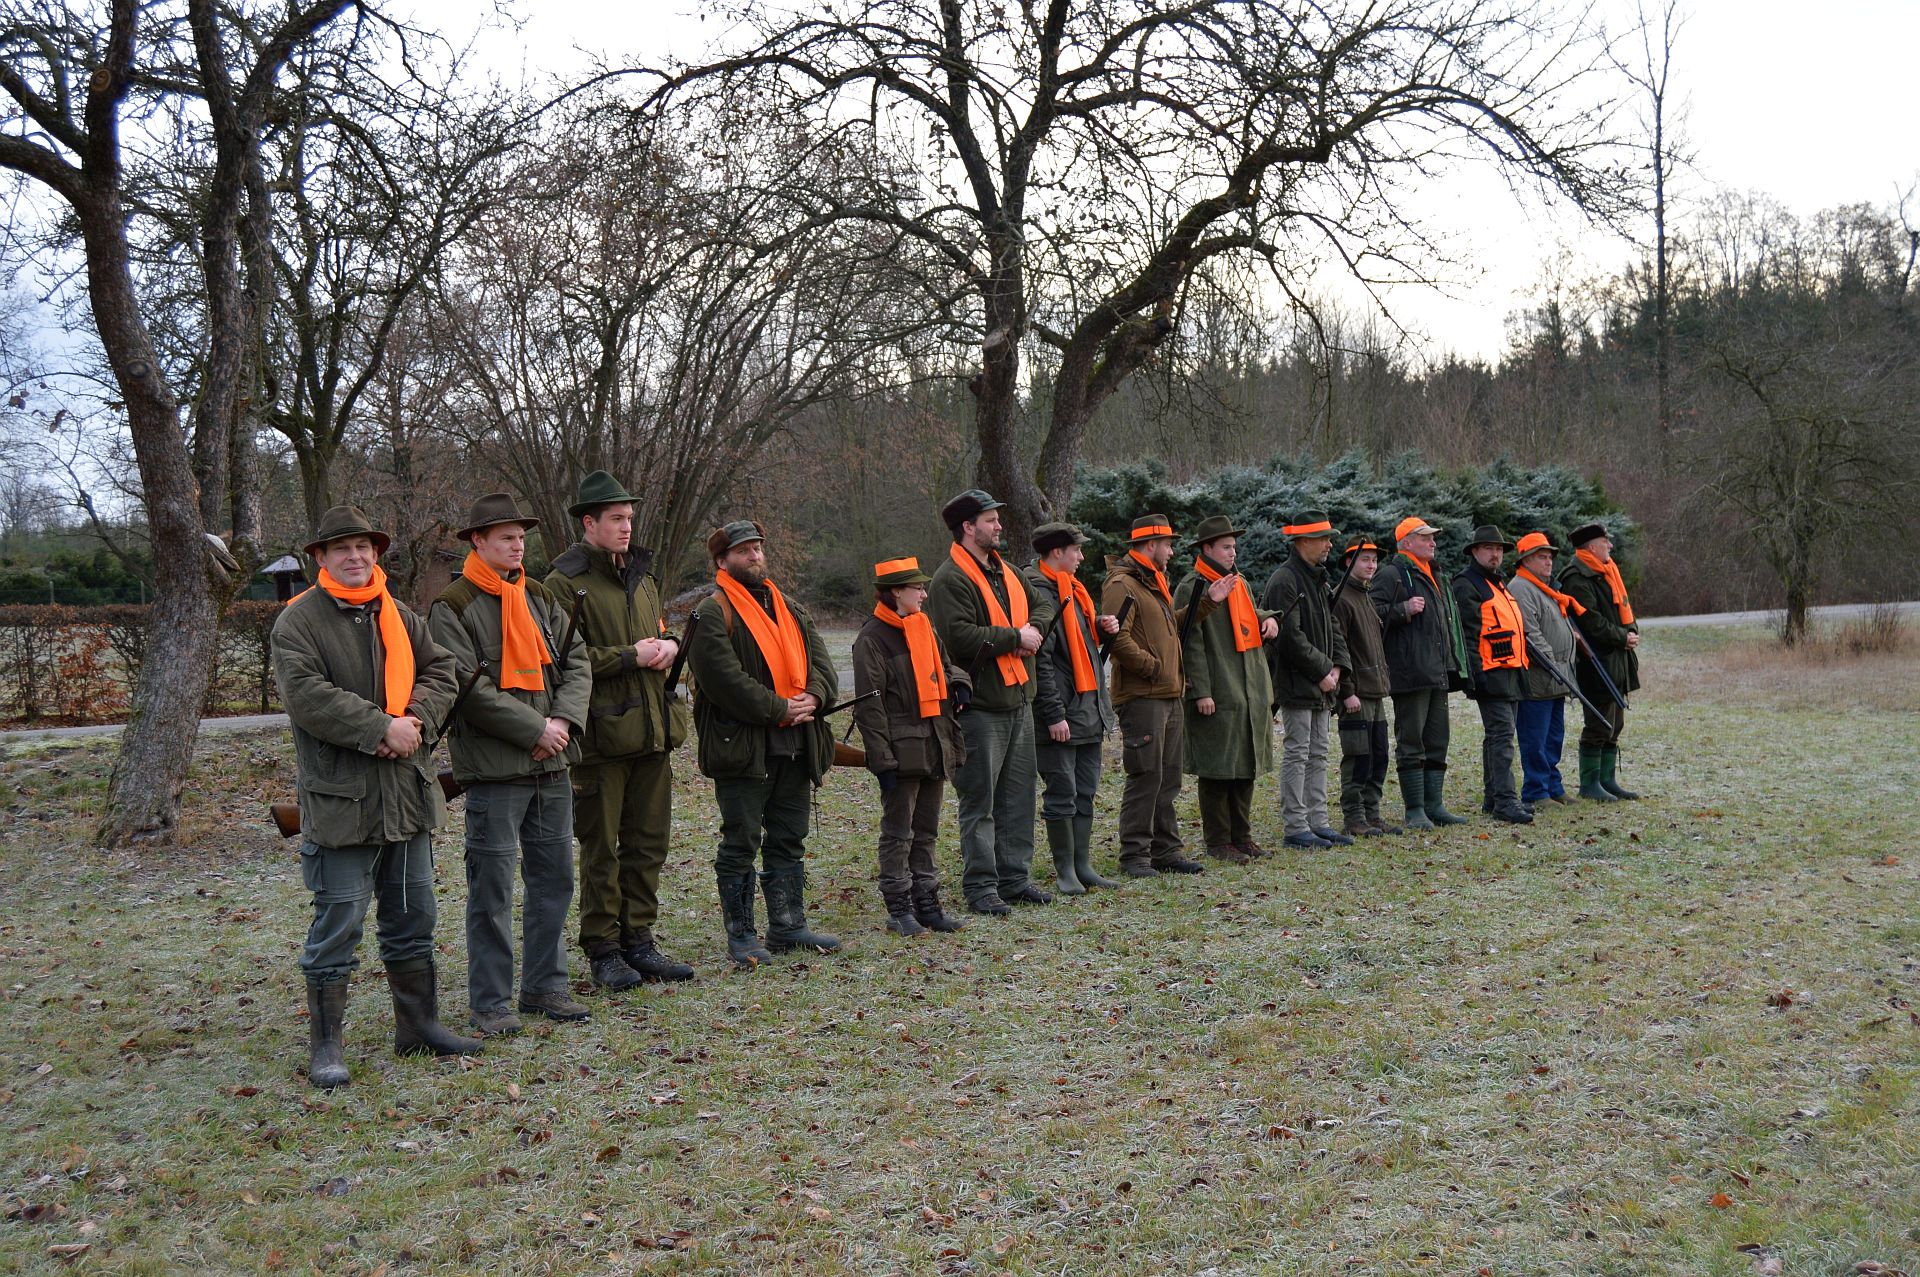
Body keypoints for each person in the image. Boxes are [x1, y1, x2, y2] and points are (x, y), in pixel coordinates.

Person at [275, 504, 479, 1087]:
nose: (355, 556)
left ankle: (419, 1028)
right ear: (320, 557)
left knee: (414, 917)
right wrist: (380, 728)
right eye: (342, 548)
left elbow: (443, 671)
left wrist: (413, 719)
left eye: (363, 547)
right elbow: (308, 696)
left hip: (406, 797)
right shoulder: (297, 622)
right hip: (342, 803)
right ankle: (326, 1048)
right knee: (338, 923)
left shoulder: (400, 615)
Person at [430, 493, 593, 1034]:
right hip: (496, 771)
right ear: (478, 541)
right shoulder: (453, 606)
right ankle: (492, 1002)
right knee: (492, 891)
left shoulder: (539, 595)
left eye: (521, 536)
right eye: (506, 537)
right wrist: (536, 730)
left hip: (552, 765)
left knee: (554, 881)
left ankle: (545, 987)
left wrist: (562, 723)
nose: (518, 545)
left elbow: (577, 661)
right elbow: (465, 688)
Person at [544, 470, 695, 990]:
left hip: (653, 734)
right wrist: (632, 656)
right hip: (601, 739)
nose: (627, 527)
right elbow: (563, 661)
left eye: (629, 518)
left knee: (648, 844)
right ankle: (604, 948)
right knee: (601, 849)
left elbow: (655, 635)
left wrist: (669, 645)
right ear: (589, 523)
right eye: (616, 518)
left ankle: (639, 940)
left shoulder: (642, 577)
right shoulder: (562, 584)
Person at [686, 520, 841, 965]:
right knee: (740, 842)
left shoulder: (790, 607)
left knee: (790, 837)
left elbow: (822, 665)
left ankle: (788, 927)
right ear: (722, 561)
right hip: (743, 749)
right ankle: (742, 937)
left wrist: (815, 696)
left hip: (796, 745)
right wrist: (780, 708)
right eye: (743, 551)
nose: (754, 556)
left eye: (757, 548)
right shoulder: (711, 612)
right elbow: (723, 681)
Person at [926, 489, 1057, 914]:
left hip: (1019, 701)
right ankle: (981, 887)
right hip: (979, 709)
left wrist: (1030, 632)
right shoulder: (950, 579)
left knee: (1018, 798)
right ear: (968, 527)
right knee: (979, 802)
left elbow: (1042, 608)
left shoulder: (1009, 572)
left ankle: (1014, 879)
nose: (999, 525)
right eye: (990, 519)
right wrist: (1014, 637)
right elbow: (958, 636)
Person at [1102, 513, 1228, 876]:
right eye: (1168, 545)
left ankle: (1166, 851)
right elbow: (1116, 638)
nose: (1172, 552)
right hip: (1143, 697)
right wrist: (1154, 668)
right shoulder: (1122, 584)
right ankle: (1134, 855)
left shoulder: (1153, 582)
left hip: (1168, 695)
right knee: (1145, 776)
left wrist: (1209, 601)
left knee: (1168, 778)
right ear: (1151, 545)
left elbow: (1173, 626)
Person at [851, 556, 971, 934]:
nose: (923, 594)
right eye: (917, 588)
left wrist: (960, 683)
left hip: (935, 742)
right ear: (895, 592)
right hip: (901, 752)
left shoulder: (923, 626)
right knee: (898, 833)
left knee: (927, 831)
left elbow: (947, 666)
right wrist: (882, 761)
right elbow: (869, 707)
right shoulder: (871, 639)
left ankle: (927, 904)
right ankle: (899, 908)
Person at [1175, 515, 1280, 863]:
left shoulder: (1239, 582)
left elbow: (1248, 614)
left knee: (1245, 764)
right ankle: (1219, 841)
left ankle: (1242, 837)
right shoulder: (1192, 586)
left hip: (1248, 688)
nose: (1233, 552)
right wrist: (1201, 691)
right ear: (1206, 548)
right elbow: (1189, 642)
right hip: (1219, 689)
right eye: (1225, 547)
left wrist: (1268, 618)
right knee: (1217, 768)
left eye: (1234, 546)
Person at [1022, 522, 1119, 894]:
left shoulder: (1074, 591)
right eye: (1076, 550)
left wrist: (1099, 627)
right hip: (1062, 714)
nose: (1081, 556)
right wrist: (1054, 715)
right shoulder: (1039, 594)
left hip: (1087, 709)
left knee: (1085, 791)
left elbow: (1077, 642)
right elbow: (1041, 661)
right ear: (1057, 552)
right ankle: (1066, 871)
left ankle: (1082, 865)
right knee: (1062, 791)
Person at [1369, 516, 1472, 830]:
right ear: (1407, 542)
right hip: (1410, 674)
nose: (1433, 543)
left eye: (1432, 537)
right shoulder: (1392, 574)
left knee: (1438, 740)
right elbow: (1370, 615)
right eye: (1425, 538)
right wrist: (1402, 610)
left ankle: (1434, 806)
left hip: (1438, 671)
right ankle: (1414, 810)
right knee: (1412, 741)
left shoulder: (1434, 574)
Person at [1262, 511, 1352, 849]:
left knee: (1318, 753)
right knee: (1298, 753)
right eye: (1323, 539)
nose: (1329, 545)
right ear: (1302, 541)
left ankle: (1318, 823)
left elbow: (1333, 627)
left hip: (1321, 683)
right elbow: (1288, 637)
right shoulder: (1284, 580)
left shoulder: (1318, 579)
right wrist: (1322, 671)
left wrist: (1337, 667)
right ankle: (1296, 827)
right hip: (1297, 684)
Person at [1451, 525, 1533, 824]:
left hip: (1510, 672)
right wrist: (1476, 676)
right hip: (1491, 673)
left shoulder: (1497, 584)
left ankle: (1493, 798)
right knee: (1502, 737)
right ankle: (1505, 801)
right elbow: (1467, 635)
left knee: (1497, 736)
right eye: (1488, 548)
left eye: (1498, 549)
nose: (1495, 553)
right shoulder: (1467, 584)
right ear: (1475, 551)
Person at [1558, 522, 1643, 801]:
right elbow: (1590, 622)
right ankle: (1590, 784)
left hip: (1615, 659)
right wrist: (1622, 637)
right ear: (1592, 547)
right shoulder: (1576, 578)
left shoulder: (1607, 571)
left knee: (1615, 723)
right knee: (1599, 723)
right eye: (1606, 542)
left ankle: (1607, 780)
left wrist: (1630, 632)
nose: (1610, 546)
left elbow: (1622, 610)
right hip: (1595, 663)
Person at [1331, 535, 1398, 837]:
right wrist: (1347, 691)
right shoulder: (1342, 598)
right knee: (1358, 757)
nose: (1371, 565)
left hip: (1375, 692)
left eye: (1374, 560)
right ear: (1349, 562)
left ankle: (1372, 813)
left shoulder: (1365, 595)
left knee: (1379, 755)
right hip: (1356, 694)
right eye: (1365, 559)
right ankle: (1354, 817)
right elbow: (1339, 647)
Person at [1508, 530, 1580, 806]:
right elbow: (1531, 634)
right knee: (1535, 739)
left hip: (1556, 678)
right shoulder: (1521, 588)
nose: (1548, 561)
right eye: (1541, 557)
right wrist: (1554, 664)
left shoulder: (1546, 588)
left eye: (1550, 557)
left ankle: (1553, 786)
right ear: (1525, 560)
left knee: (1554, 737)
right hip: (1538, 678)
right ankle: (1536, 792)